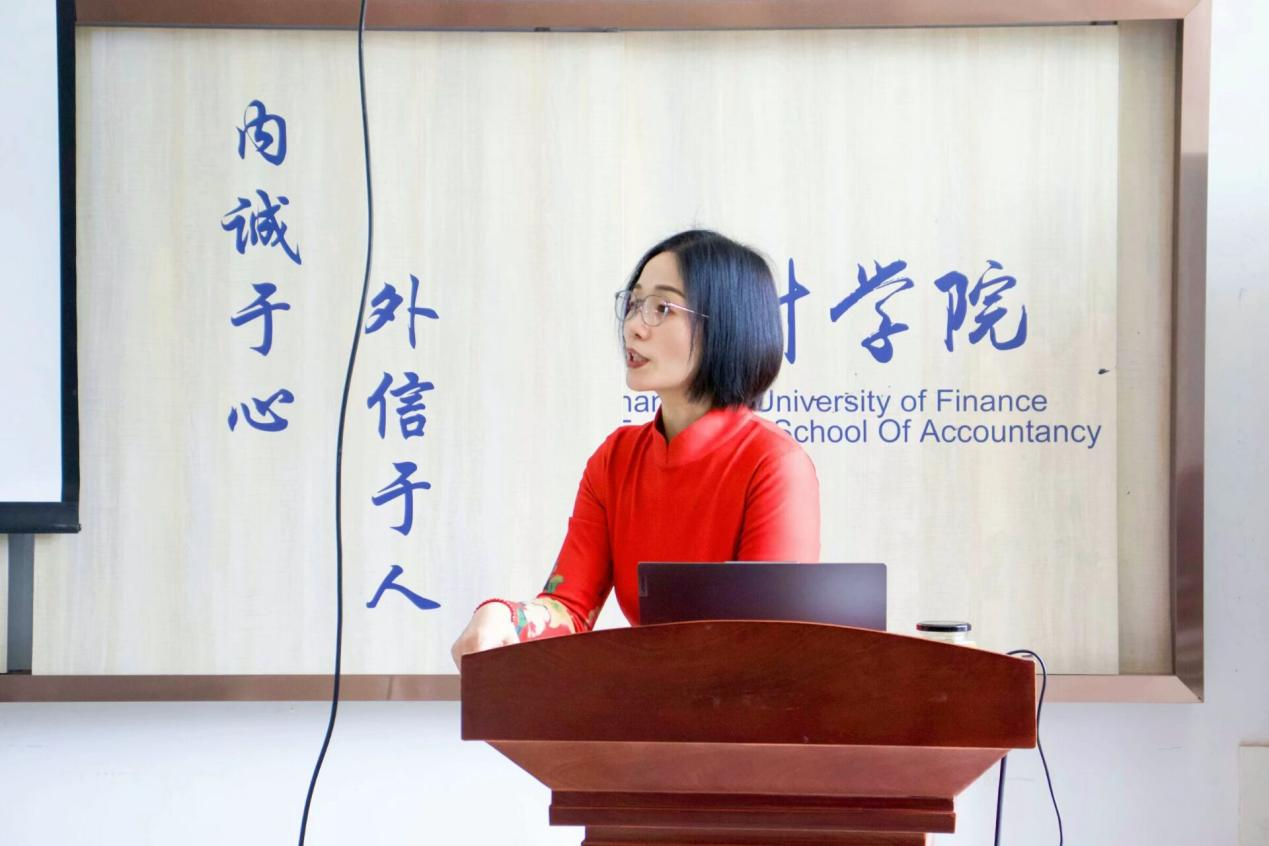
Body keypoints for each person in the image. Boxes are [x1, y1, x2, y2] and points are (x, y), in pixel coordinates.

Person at [450, 229, 820, 670]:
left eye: (662, 308)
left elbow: (770, 643)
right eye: (633, 304)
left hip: (737, 702)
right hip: (651, 693)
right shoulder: (616, 459)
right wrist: (504, 618)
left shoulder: (774, 464)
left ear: (727, 325)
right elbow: (569, 608)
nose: (633, 327)